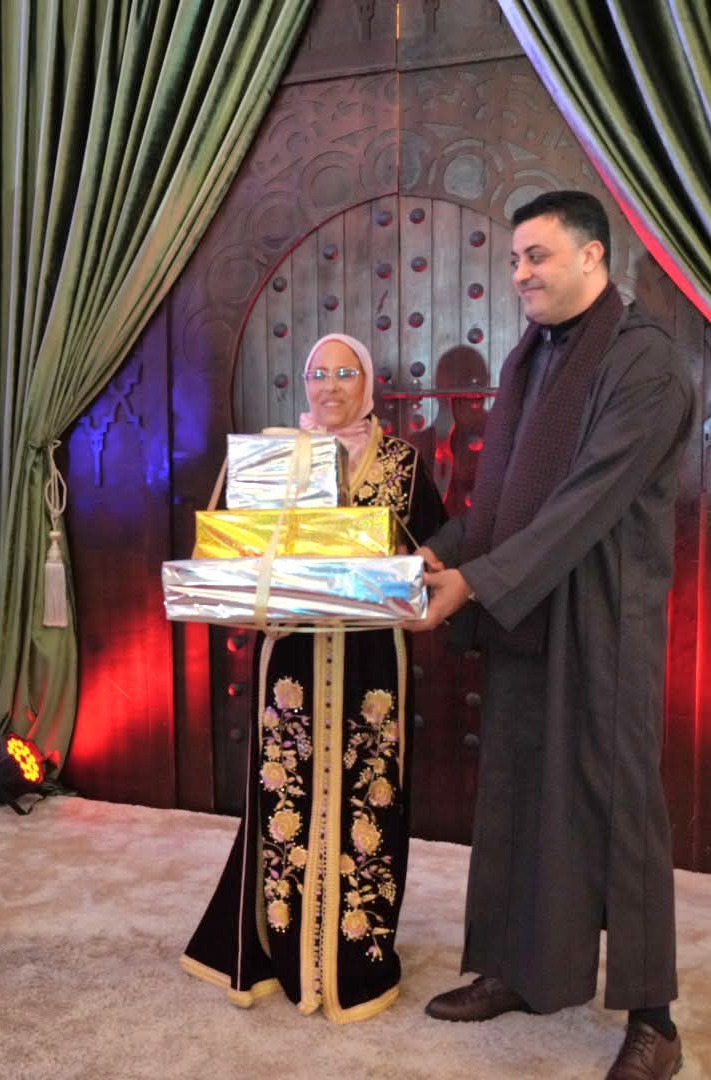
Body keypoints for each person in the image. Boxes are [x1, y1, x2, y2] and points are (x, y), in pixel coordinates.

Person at [406, 190, 693, 1080]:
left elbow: (583, 503)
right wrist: (445, 550)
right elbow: (504, 499)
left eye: (537, 256)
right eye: (515, 260)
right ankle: (520, 971)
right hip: (525, 605)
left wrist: (475, 582)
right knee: (518, 792)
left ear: (593, 256)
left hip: (603, 616)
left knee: (620, 813)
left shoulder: (646, 363)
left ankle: (655, 1021)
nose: (520, 274)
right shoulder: (533, 354)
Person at [183, 332, 445, 1023]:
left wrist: (419, 565)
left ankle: (359, 960)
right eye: (317, 373)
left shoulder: (402, 463)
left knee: (372, 796)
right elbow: (227, 547)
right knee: (284, 796)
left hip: (374, 660)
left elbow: (436, 549)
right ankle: (281, 948)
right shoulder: (276, 458)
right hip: (291, 656)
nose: (329, 386)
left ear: (368, 383)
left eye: (345, 372)